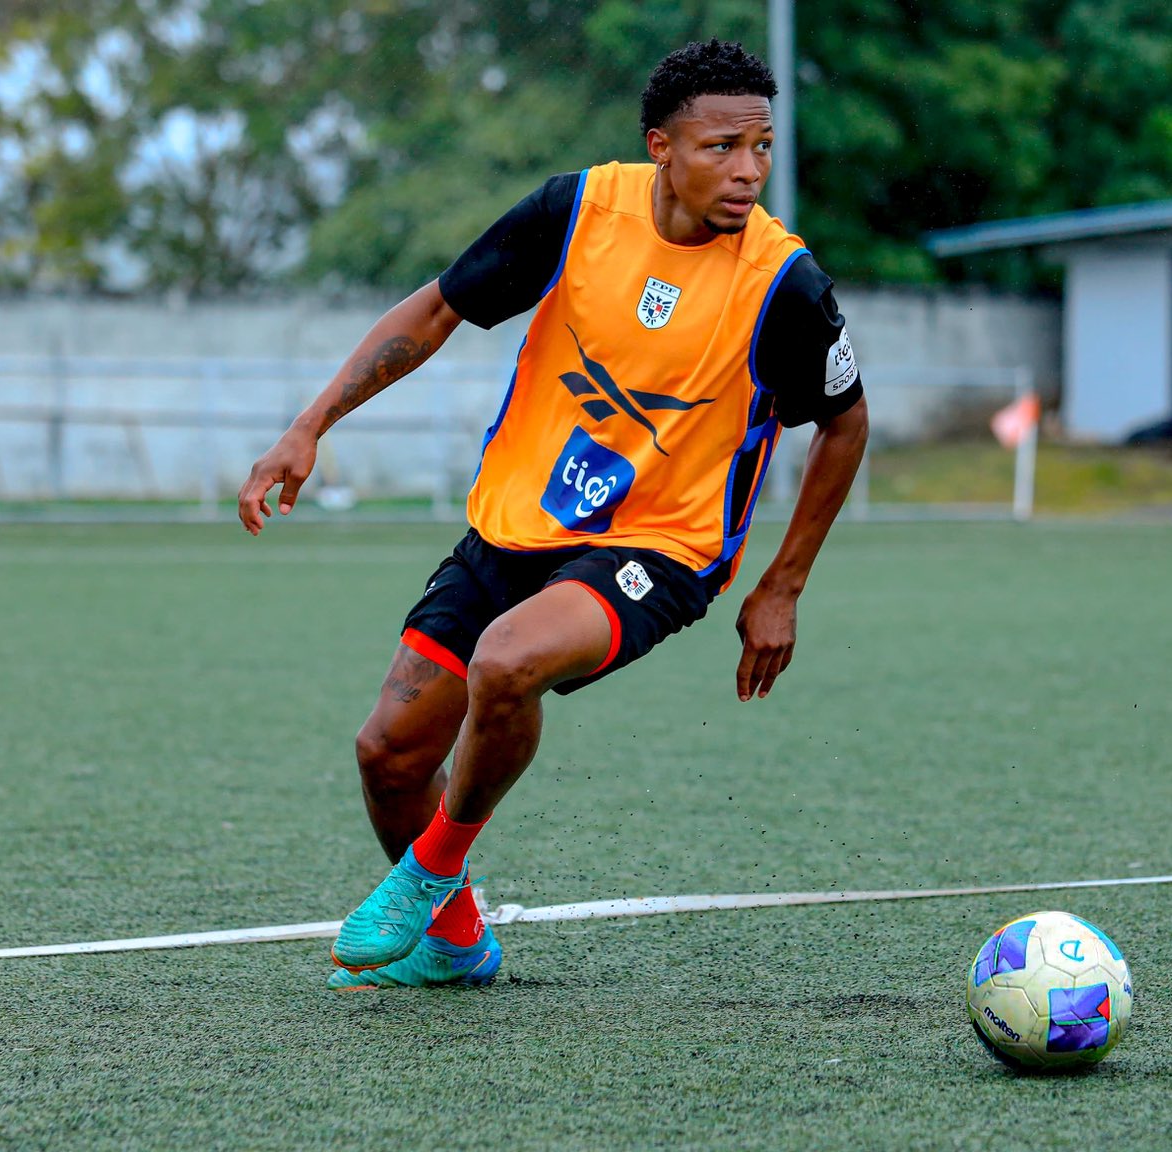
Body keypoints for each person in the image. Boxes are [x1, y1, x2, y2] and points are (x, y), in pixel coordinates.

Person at [237, 39, 869, 990]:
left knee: (509, 660)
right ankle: (456, 942)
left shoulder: (784, 282)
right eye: (722, 147)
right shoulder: (575, 211)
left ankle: (435, 866)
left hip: (664, 544)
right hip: (517, 522)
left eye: (763, 147)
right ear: (661, 146)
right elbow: (437, 311)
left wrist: (783, 583)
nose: (747, 171)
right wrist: (309, 424)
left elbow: (847, 423)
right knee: (387, 753)